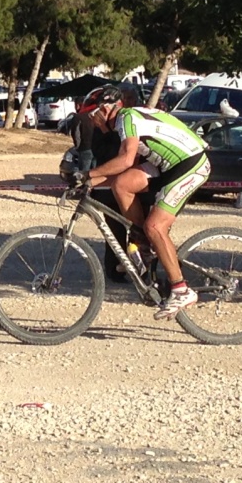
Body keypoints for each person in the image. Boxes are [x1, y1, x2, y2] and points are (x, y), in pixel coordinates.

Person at [80, 86, 212, 320]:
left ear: (107, 109)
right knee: (122, 184)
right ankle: (142, 243)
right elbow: (122, 171)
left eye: (93, 114)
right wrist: (86, 182)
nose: (91, 120)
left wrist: (88, 175)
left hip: (189, 164)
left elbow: (126, 159)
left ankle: (181, 289)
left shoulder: (126, 117)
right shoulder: (125, 122)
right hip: (168, 165)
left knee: (155, 226)